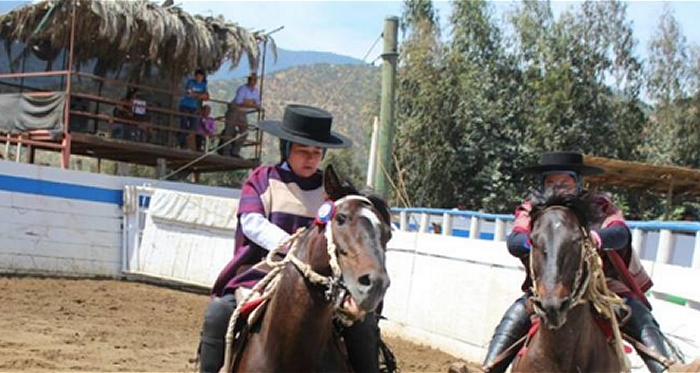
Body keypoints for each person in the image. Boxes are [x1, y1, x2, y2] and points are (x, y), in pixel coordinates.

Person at [198, 104, 383, 373]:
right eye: (302, 151)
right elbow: (251, 222)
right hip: (264, 273)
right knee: (218, 315)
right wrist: (293, 248)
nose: (310, 159)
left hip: (325, 281)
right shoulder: (262, 179)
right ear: (286, 148)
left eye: (316, 152)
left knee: (364, 324)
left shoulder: (333, 191)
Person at [482, 151, 674, 373]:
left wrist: (594, 238)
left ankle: (665, 368)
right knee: (517, 313)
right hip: (548, 286)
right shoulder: (531, 210)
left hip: (600, 286)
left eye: (564, 181)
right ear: (542, 184)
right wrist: (542, 242)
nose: (557, 187)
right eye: (551, 182)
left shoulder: (600, 206)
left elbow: (620, 232)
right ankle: (488, 368)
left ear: (577, 182)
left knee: (637, 312)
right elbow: (515, 241)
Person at [219, 73, 261, 157]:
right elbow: (239, 102)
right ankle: (225, 151)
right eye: (251, 79)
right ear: (249, 80)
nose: (253, 81)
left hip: (242, 111)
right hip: (234, 110)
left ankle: (235, 151)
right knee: (229, 131)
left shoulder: (256, 91)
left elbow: (258, 104)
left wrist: (247, 102)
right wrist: (251, 103)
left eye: (254, 80)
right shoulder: (242, 89)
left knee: (244, 132)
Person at [178, 69, 209, 149]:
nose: (199, 78)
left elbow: (206, 96)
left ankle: (184, 139)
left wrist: (196, 95)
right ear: (195, 76)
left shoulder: (203, 85)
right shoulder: (190, 82)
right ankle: (181, 143)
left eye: (201, 77)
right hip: (184, 105)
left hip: (193, 106)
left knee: (194, 125)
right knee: (184, 123)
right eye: (197, 76)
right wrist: (199, 95)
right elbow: (189, 93)